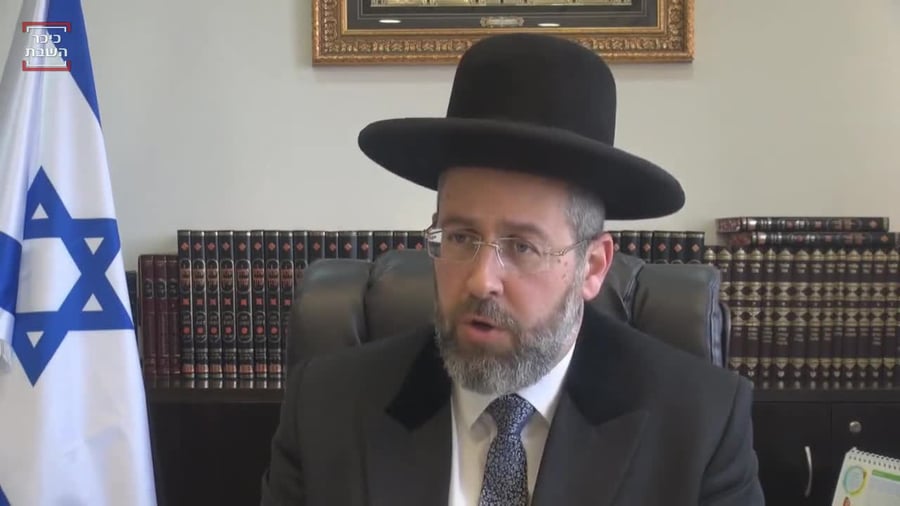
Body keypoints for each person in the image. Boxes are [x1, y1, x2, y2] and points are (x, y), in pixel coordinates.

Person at [260, 33, 764, 505]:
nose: (481, 280)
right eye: (460, 237)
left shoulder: (700, 427)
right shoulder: (326, 409)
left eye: (522, 247)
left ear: (592, 266)